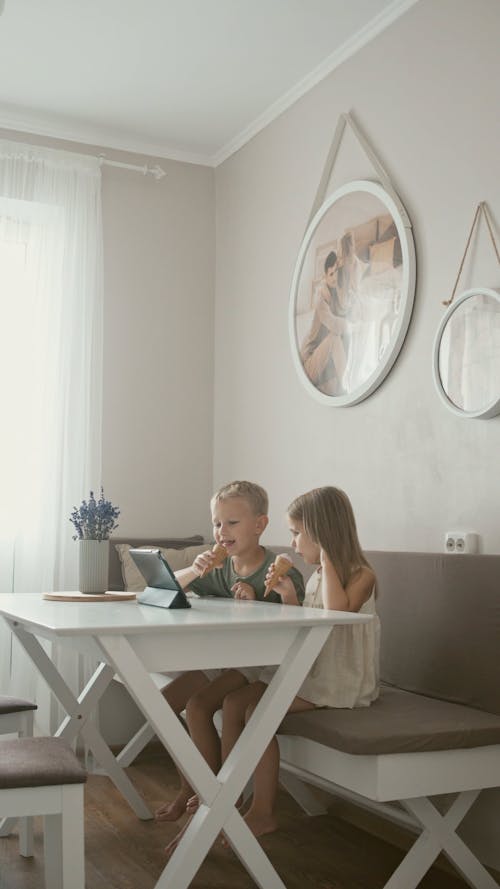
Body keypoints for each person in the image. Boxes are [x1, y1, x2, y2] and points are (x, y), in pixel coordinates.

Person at [220, 485, 380, 839]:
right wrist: (290, 597)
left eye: (296, 533)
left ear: (321, 534)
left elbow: (337, 615)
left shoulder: (360, 575)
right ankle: (227, 798)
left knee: (255, 712)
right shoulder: (319, 578)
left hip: (340, 681)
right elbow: (310, 626)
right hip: (313, 670)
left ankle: (263, 811)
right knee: (233, 703)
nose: (292, 543)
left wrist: (326, 558)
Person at [154, 480, 305, 829]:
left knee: (197, 705)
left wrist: (256, 604)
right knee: (163, 702)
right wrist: (195, 569)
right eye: (217, 523)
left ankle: (217, 793)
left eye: (232, 523)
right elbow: (162, 588)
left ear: (260, 524)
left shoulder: (279, 571)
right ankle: (191, 786)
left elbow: (294, 628)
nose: (222, 532)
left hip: (258, 664)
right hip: (221, 659)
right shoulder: (219, 566)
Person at [300, 250, 348, 395]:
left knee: (343, 339)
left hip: (322, 358)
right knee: (335, 338)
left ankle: (344, 381)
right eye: (331, 274)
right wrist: (350, 324)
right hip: (309, 363)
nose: (334, 278)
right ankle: (348, 384)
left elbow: (346, 308)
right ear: (325, 276)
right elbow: (334, 324)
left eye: (336, 272)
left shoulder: (336, 292)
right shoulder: (320, 298)